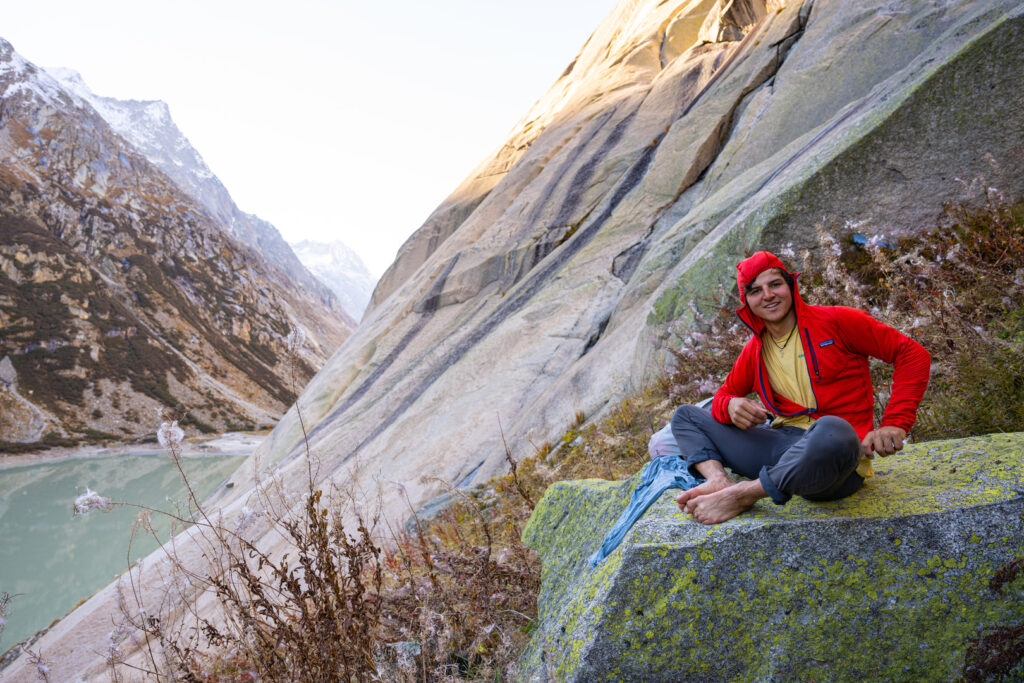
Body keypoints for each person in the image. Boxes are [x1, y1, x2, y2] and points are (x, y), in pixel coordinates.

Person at [672, 251, 930, 524]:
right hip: (782, 450)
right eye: (756, 291)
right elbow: (724, 396)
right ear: (747, 302)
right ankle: (718, 482)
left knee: (834, 429)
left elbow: (911, 354)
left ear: (791, 285)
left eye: (775, 284)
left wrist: (895, 422)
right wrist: (731, 405)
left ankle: (744, 494)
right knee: (686, 416)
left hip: (836, 461)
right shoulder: (755, 350)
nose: (768, 295)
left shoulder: (838, 322)